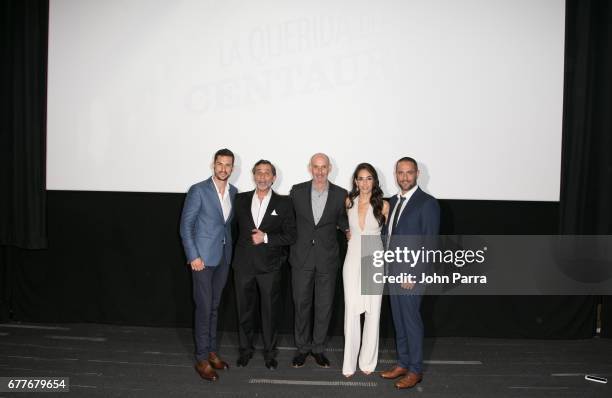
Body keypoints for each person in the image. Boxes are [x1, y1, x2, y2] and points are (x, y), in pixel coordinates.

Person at [380, 157, 440, 389]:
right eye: (400, 173)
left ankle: (415, 369)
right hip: (393, 271)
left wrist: (414, 274)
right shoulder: (393, 201)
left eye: (409, 173)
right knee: (399, 320)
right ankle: (403, 363)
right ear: (395, 174)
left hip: (410, 275)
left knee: (411, 321)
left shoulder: (427, 203)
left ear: (417, 174)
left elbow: (430, 243)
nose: (404, 177)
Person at [179, 148, 238, 382]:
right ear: (213, 165)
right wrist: (193, 256)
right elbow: (186, 226)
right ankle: (202, 358)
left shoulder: (234, 192)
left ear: (232, 168)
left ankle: (212, 352)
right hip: (202, 259)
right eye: (220, 164)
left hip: (223, 256)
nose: (223, 169)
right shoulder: (198, 190)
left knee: (214, 306)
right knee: (204, 308)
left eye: (228, 165)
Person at [232, 160, 296, 370]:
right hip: (243, 265)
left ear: (273, 177)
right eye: (258, 172)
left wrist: (266, 237)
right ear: (253, 175)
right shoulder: (239, 199)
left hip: (270, 267)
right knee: (245, 311)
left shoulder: (284, 203)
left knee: (269, 313)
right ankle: (245, 351)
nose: (262, 177)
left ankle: (270, 353)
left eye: (267, 173)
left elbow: (291, 236)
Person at [289, 153, 349, 368]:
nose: (320, 171)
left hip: (327, 260)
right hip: (301, 259)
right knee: (301, 305)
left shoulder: (341, 194)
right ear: (310, 168)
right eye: (316, 167)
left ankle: (318, 348)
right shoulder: (296, 192)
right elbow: (289, 221)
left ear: (330, 168)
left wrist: (347, 228)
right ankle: (302, 348)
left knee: (324, 307)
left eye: (324, 167)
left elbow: (343, 219)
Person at [342, 163, 389, 377]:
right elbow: (344, 226)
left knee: (372, 312)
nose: (364, 183)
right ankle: (349, 363)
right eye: (360, 178)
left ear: (374, 181)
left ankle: (368, 361)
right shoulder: (348, 202)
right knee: (351, 311)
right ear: (355, 181)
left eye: (369, 178)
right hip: (352, 257)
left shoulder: (384, 205)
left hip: (373, 256)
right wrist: (344, 231)